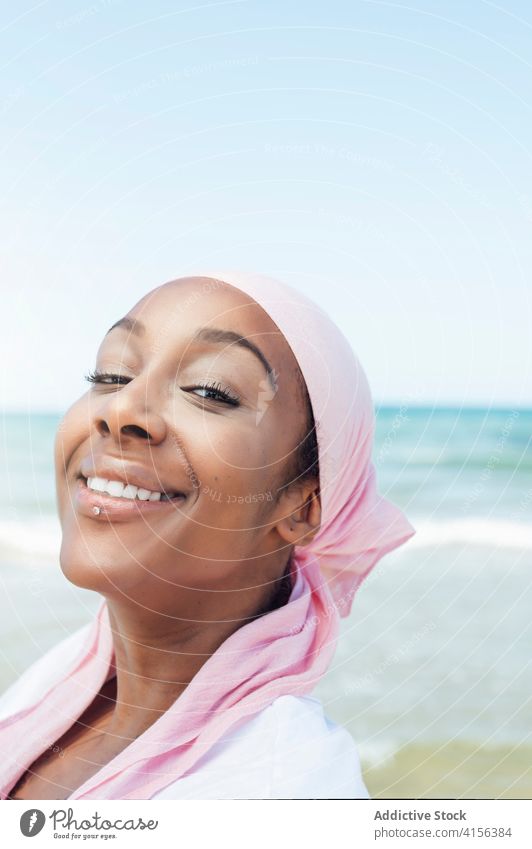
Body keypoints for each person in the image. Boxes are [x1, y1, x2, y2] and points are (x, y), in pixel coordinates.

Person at [0, 271, 416, 800]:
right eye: (110, 375)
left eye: (208, 391)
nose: (120, 409)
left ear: (304, 504)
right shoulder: (60, 680)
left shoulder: (285, 792)